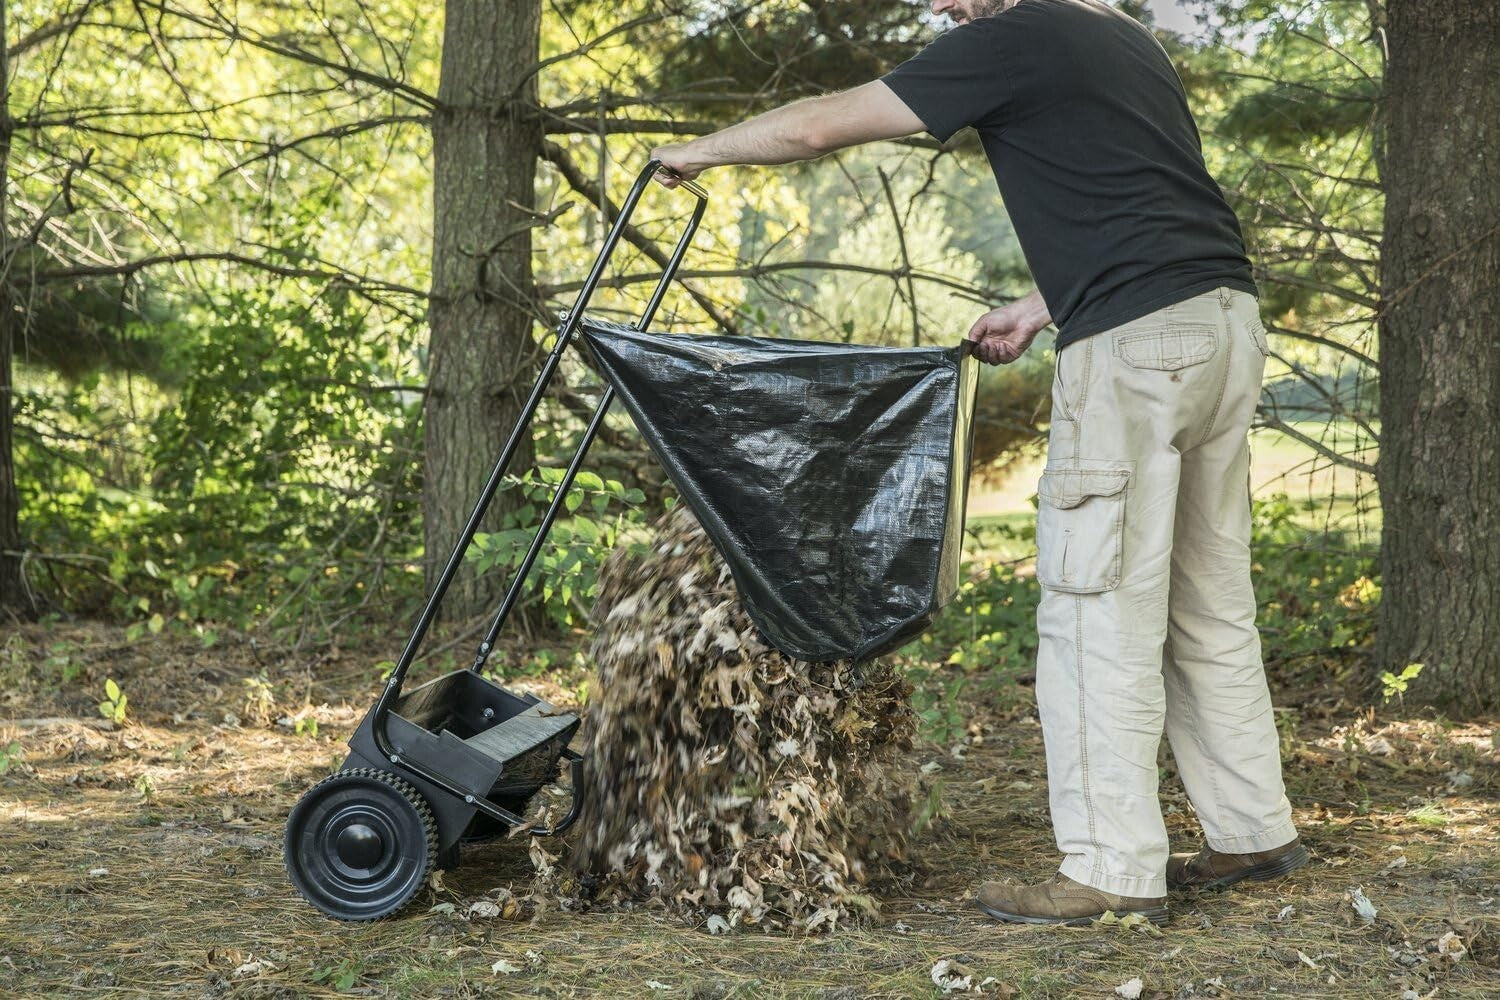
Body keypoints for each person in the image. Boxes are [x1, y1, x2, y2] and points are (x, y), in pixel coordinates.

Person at [651, 0, 1307, 926]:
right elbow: (1143, 206)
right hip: (1223, 327)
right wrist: (1042, 305)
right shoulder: (1124, 38)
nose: (947, 9)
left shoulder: (1015, 34)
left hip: (1134, 351)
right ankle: (1253, 828)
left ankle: (1111, 870)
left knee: (1094, 609)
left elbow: (816, 125)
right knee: (1208, 601)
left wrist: (702, 150)